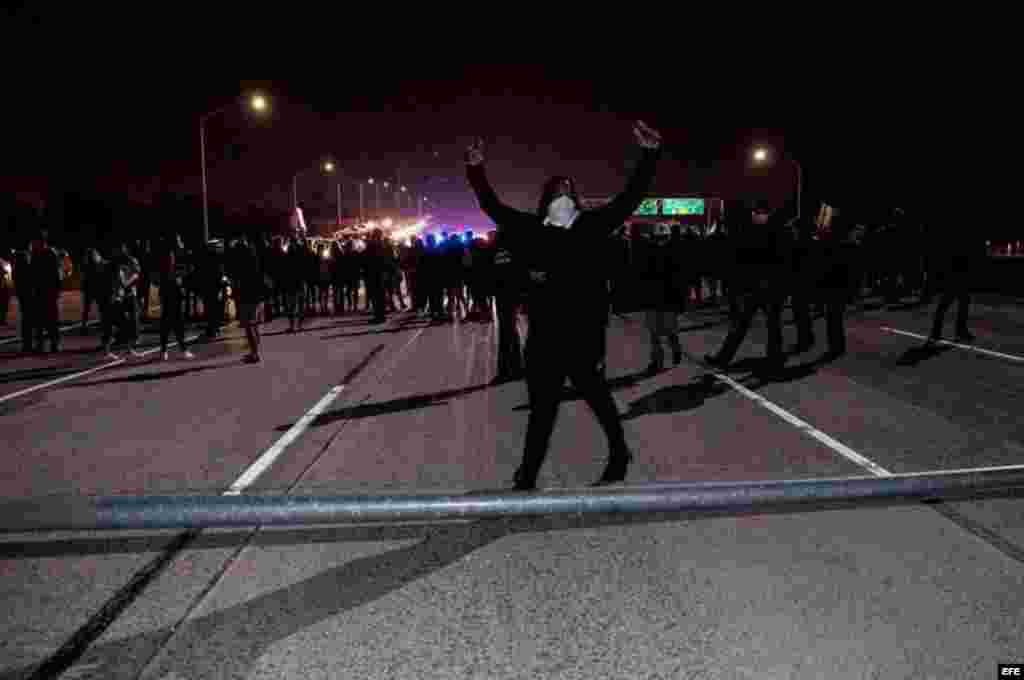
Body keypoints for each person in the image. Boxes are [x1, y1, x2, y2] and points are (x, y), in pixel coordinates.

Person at [465, 120, 662, 490]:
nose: (563, 197)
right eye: (557, 194)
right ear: (545, 202)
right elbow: (492, 206)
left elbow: (630, 197)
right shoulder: (533, 231)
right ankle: (527, 475)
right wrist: (475, 169)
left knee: (599, 400)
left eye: (568, 193)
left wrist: (649, 155)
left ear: (577, 199)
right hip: (544, 339)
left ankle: (619, 452)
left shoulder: (591, 226)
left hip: (584, 335)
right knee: (542, 412)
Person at [704, 202, 791, 375]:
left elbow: (783, 262)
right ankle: (724, 358)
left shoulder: (776, 233)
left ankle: (774, 356)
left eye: (760, 213)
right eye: (755, 212)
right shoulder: (753, 232)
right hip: (755, 287)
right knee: (743, 324)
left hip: (770, 287)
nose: (757, 215)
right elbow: (742, 260)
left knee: (771, 325)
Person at [637, 223, 684, 375]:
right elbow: (679, 280)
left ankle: (658, 361)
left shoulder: (647, 253)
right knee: (669, 331)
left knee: (655, 333)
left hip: (654, 299)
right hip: (668, 299)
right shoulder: (675, 254)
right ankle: (675, 351)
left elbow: (642, 277)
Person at [102, 241, 143, 359]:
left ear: (125, 249)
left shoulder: (131, 261)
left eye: (121, 249)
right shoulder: (111, 263)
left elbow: (136, 275)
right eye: (116, 249)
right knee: (113, 323)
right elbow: (110, 280)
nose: (118, 251)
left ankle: (129, 349)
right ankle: (107, 350)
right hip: (117, 297)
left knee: (133, 322)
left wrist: (126, 283)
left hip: (129, 295)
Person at [157, 234, 195, 361]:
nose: (181, 243)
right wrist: (183, 273)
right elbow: (170, 275)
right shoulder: (170, 256)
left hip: (170, 292)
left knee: (168, 322)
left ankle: (165, 351)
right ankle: (180, 350)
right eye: (179, 241)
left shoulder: (173, 256)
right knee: (174, 322)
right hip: (171, 292)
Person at [232, 237, 267, 363]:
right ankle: (255, 351)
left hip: (248, 296)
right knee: (255, 324)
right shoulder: (255, 260)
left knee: (249, 325)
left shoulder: (241, 267)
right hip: (257, 295)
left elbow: (238, 282)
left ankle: (254, 353)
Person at [30, 229, 65, 353]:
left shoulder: (51, 253)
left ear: (41, 241)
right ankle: (40, 344)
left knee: (52, 319)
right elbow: (32, 273)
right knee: (39, 319)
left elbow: (58, 273)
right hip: (39, 291)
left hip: (50, 291)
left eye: (35, 241)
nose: (33, 244)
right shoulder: (35, 254)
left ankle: (55, 343)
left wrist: (57, 290)